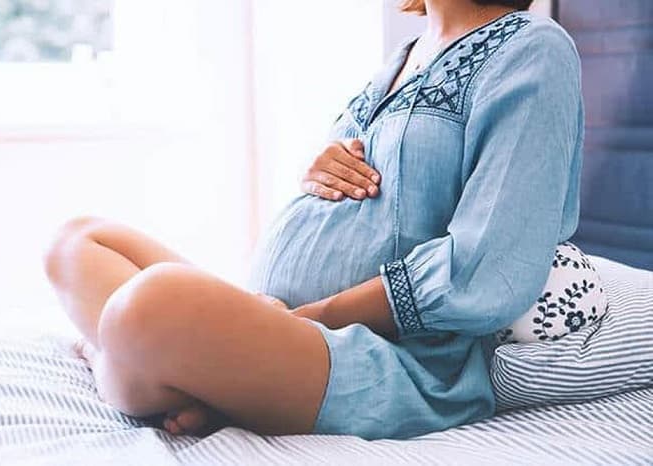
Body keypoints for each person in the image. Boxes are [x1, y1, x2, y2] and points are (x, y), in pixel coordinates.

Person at [45, 0, 594, 440]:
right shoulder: (404, 55)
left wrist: (304, 320)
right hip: (278, 320)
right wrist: (318, 167)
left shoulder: (533, 48)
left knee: (145, 307)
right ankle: (200, 378)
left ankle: (121, 362)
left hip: (388, 357)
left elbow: (489, 266)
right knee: (77, 242)